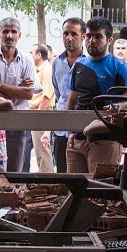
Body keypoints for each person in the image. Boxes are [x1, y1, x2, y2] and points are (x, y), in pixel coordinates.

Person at [66, 16, 127, 174]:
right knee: (74, 191)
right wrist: (70, 133)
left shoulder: (120, 67)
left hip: (106, 139)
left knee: (100, 190)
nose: (91, 41)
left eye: (98, 36)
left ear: (109, 40)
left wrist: (117, 106)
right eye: (88, 36)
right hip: (77, 139)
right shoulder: (78, 65)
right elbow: (72, 101)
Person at [0, 17, 39, 172]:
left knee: (14, 171)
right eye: (6, 31)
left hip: (17, 122)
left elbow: (28, 94)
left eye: (13, 32)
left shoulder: (27, 60)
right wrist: (17, 89)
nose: (9, 35)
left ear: (19, 35)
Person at [52, 17, 87, 173]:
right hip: (61, 128)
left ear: (83, 37)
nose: (69, 38)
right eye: (66, 33)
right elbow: (58, 94)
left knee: (82, 176)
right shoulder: (56, 63)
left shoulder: (88, 63)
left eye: (74, 33)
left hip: (82, 129)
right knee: (61, 173)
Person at [25, 43, 55, 172]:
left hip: (41, 111)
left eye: (31, 52)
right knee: (38, 149)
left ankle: (47, 180)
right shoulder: (36, 70)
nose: (29, 54)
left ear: (39, 55)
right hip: (35, 111)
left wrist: (37, 116)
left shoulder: (47, 70)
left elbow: (46, 96)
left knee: (42, 149)